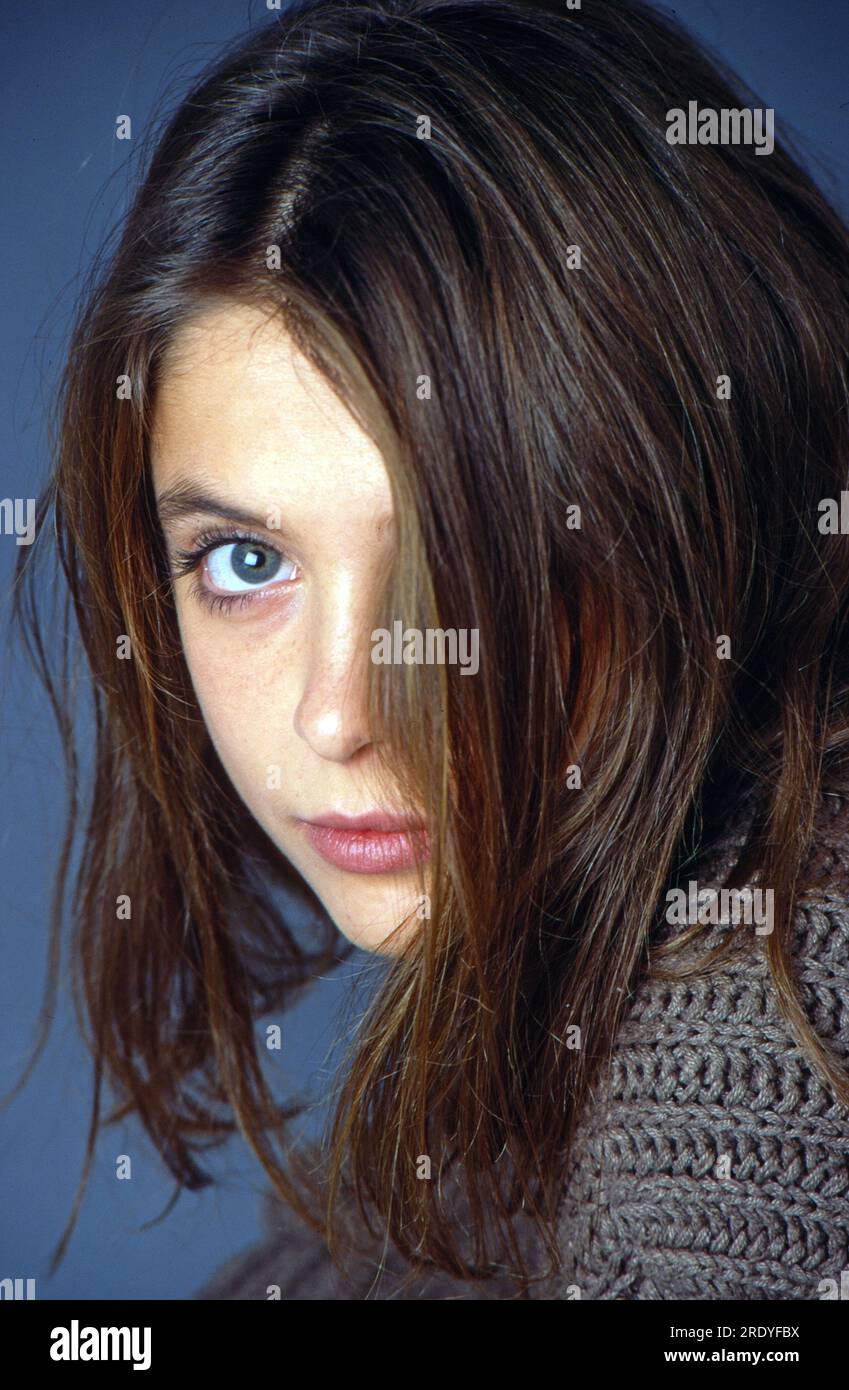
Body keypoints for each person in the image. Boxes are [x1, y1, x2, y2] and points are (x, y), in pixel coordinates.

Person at [14, 0, 849, 1299]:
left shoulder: (737, 1138)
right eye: (246, 561)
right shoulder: (554, 1014)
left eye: (457, 558)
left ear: (702, 508)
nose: (339, 711)